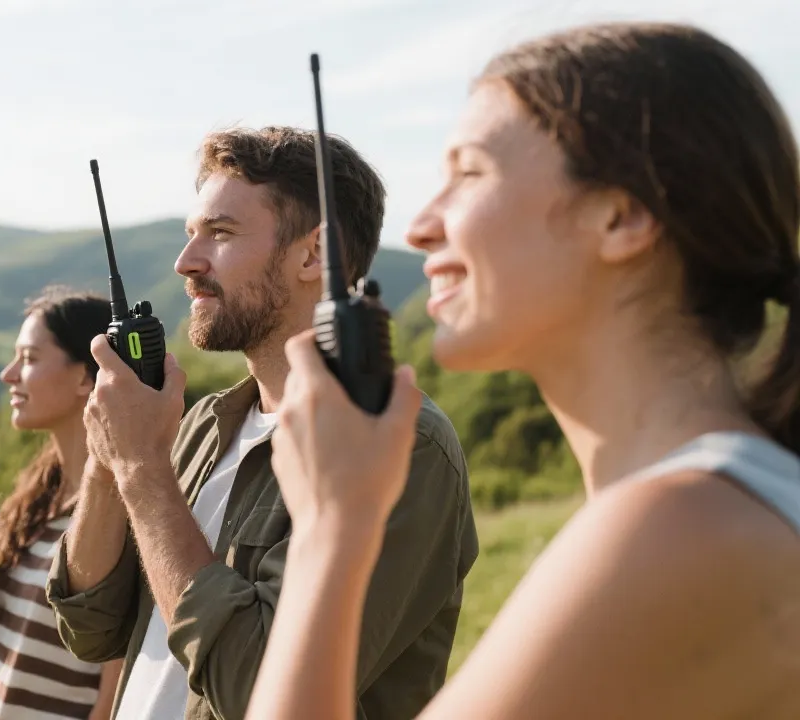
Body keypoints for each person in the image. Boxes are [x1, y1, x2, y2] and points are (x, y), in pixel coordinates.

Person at [246, 21, 800, 720]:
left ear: (621, 215)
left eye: (469, 173)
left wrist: (331, 527)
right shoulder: (718, 502)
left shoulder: (680, 524)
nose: (420, 227)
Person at [46, 126, 479, 720]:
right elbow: (89, 627)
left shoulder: (402, 446)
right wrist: (109, 456)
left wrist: (142, 470)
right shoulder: (203, 424)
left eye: (220, 234)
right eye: (190, 234)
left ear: (311, 254)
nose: (185, 262)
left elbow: (256, 689)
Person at [0, 286, 125, 719]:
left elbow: (113, 701)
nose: (8, 375)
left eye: (28, 359)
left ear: (87, 376)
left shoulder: (120, 513)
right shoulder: (35, 503)